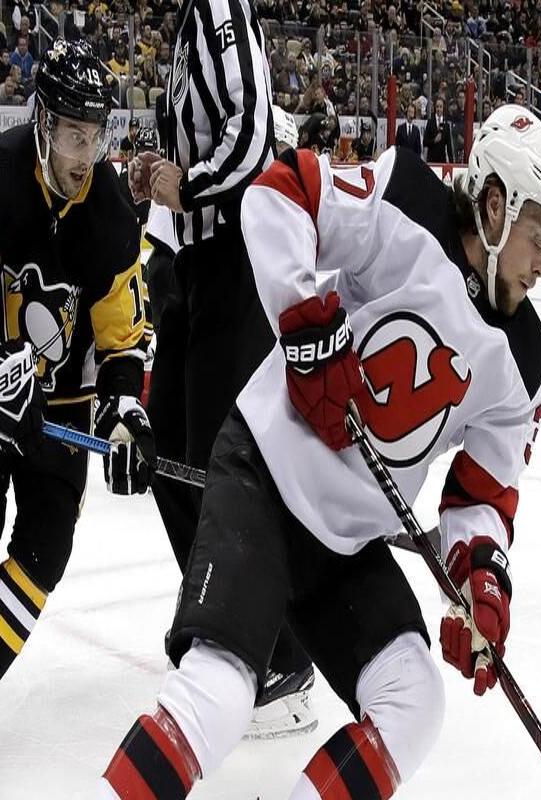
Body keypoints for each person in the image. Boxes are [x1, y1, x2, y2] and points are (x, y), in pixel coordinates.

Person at [96, 103, 541, 799]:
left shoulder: (527, 358)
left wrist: (481, 579)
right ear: (496, 206)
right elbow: (280, 192)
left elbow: (482, 494)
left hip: (345, 540)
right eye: (539, 237)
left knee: (413, 697)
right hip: (264, 470)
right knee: (225, 691)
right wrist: (304, 326)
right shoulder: (406, 199)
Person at [128, 0, 315, 735]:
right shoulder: (185, 23)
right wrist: (158, 172)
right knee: (167, 455)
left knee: (216, 466)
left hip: (235, 263)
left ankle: (282, 654)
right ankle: (226, 629)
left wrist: (192, 183)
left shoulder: (218, 6)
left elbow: (252, 131)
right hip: (196, 264)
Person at [0, 38, 153, 680]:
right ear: (41, 124)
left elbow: (123, 335)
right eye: (71, 137)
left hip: (57, 406)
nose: (84, 157)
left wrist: (122, 412)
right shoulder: (1, 176)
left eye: (94, 138)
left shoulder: (110, 211)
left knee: (47, 545)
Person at [424, 95, 453, 162]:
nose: (439, 109)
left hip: (442, 160)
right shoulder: (430, 122)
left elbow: (449, 146)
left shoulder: (446, 125)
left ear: (443, 108)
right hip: (431, 159)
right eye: (437, 106)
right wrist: (434, 141)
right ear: (435, 107)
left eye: (440, 107)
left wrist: (451, 163)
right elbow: (425, 141)